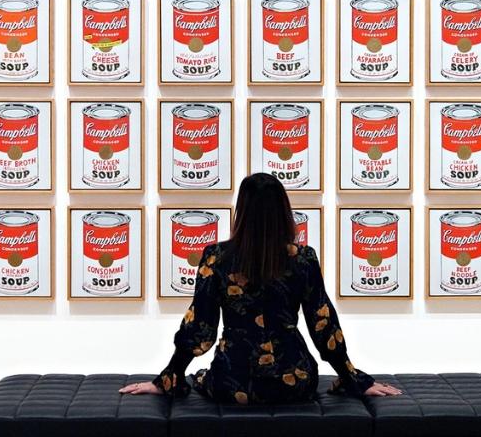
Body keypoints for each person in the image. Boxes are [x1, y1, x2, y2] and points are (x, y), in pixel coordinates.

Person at [120, 173, 402, 404]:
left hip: (233, 381)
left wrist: (169, 378)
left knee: (202, 377)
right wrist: (352, 378)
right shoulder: (303, 259)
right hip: (295, 381)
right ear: (283, 211)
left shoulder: (216, 257)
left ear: (242, 211)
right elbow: (323, 324)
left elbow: (199, 329)